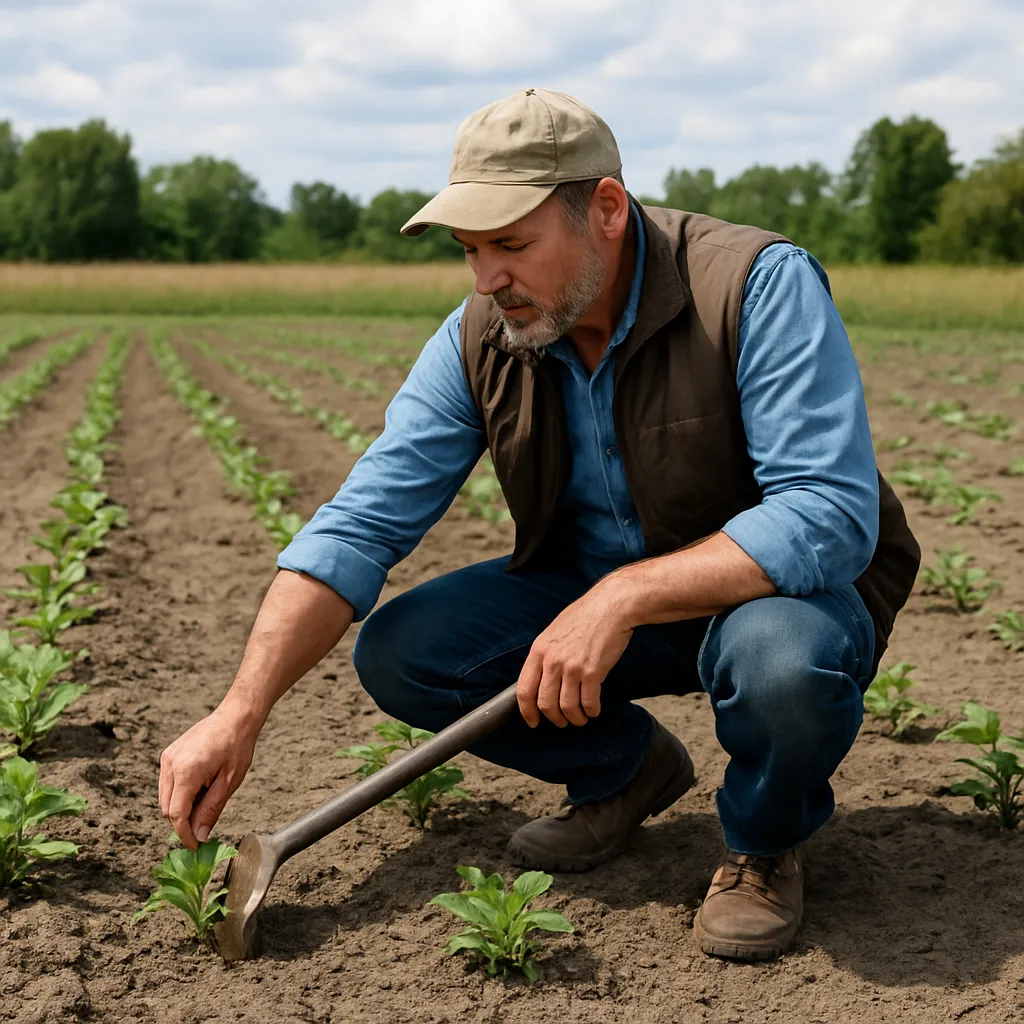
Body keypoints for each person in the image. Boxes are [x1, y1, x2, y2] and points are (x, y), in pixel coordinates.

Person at [158, 88, 920, 962]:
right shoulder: (481, 336)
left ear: (606, 210)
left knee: (780, 661)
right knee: (407, 649)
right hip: (597, 590)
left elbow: (826, 512)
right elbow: (360, 524)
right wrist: (242, 709)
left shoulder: (754, 286)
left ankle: (764, 844)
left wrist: (623, 597)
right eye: (470, 250)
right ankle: (625, 771)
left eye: (512, 245)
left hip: (778, 599)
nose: (487, 280)